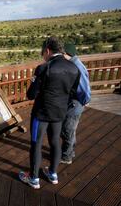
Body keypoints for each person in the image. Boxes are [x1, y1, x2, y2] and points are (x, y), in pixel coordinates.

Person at [19, 37, 80, 189]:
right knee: (55, 142)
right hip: (60, 113)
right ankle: (52, 174)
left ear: (47, 50)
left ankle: (34, 178)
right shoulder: (74, 68)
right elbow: (73, 93)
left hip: (41, 114)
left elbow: (31, 95)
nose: (43, 56)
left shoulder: (43, 68)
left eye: (42, 53)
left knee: (36, 144)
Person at [60, 43, 91, 164]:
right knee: (70, 129)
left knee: (67, 129)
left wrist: (85, 101)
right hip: (75, 102)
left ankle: (66, 157)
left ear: (66, 54)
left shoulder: (76, 66)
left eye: (62, 54)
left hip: (76, 103)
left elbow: (83, 88)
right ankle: (70, 152)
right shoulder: (74, 64)